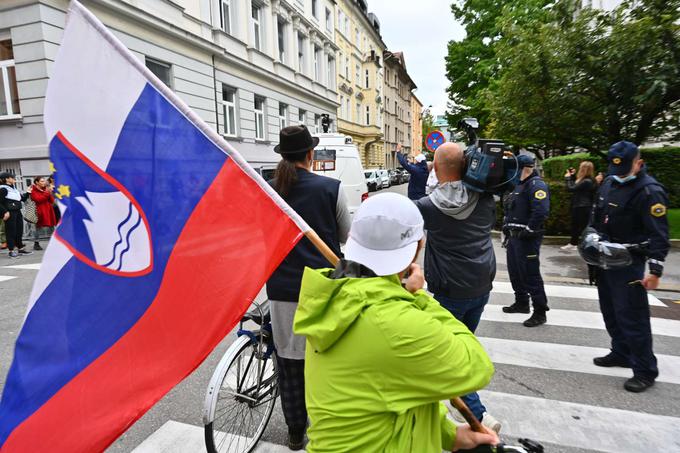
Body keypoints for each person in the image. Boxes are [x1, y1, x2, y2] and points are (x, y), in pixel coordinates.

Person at [294, 192, 498, 452]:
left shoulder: (337, 297)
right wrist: (420, 298)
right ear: (417, 247)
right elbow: (476, 366)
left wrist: (451, 435)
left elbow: (390, 395)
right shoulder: (394, 323)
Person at [266, 125, 351, 449]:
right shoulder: (331, 188)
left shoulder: (269, 190)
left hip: (282, 289)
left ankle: (294, 431)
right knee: (324, 360)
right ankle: (327, 428)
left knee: (289, 365)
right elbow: (345, 235)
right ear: (310, 155)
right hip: (323, 290)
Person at [414, 142, 500, 432]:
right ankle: (459, 402)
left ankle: (476, 414)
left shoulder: (428, 207)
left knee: (448, 355)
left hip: (449, 290)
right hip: (481, 285)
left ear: (436, 169)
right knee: (462, 346)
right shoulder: (487, 199)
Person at [587, 141, 670, 393]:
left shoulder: (649, 191)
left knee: (633, 318)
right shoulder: (611, 182)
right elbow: (597, 216)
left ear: (638, 162)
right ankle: (620, 352)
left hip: (630, 263)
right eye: (616, 167)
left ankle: (645, 370)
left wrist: (655, 271)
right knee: (611, 312)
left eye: (624, 167)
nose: (619, 172)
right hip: (605, 260)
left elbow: (658, 235)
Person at [502, 155, 550, 327]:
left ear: (522, 168)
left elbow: (541, 211)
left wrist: (529, 230)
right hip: (514, 237)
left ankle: (540, 311)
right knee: (515, 272)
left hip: (527, 238)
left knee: (530, 274)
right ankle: (521, 302)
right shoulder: (519, 185)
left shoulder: (536, 184)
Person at [561, 161, 596, 251]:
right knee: (576, 226)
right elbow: (575, 186)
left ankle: (580, 245)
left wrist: (568, 178)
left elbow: (571, 188)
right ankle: (574, 243)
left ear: (583, 169)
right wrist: (572, 176)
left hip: (582, 206)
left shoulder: (586, 181)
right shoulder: (586, 180)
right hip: (581, 205)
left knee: (581, 227)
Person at [0, 172, 33, 258]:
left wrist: (28, 192)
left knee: (19, 230)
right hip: (10, 212)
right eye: (12, 177)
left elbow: (22, 198)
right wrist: (4, 212)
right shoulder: (3, 189)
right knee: (11, 232)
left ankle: (20, 248)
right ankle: (11, 251)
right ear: (7, 179)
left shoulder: (14, 189)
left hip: (17, 211)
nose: (14, 179)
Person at [30, 176, 57, 250]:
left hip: (48, 210)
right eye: (42, 181)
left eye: (44, 181)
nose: (44, 182)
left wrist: (50, 192)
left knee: (51, 226)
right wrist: (47, 193)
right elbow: (38, 199)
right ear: (37, 182)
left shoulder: (46, 189)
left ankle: (55, 242)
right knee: (37, 228)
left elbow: (52, 201)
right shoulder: (33, 190)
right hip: (38, 211)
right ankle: (36, 243)